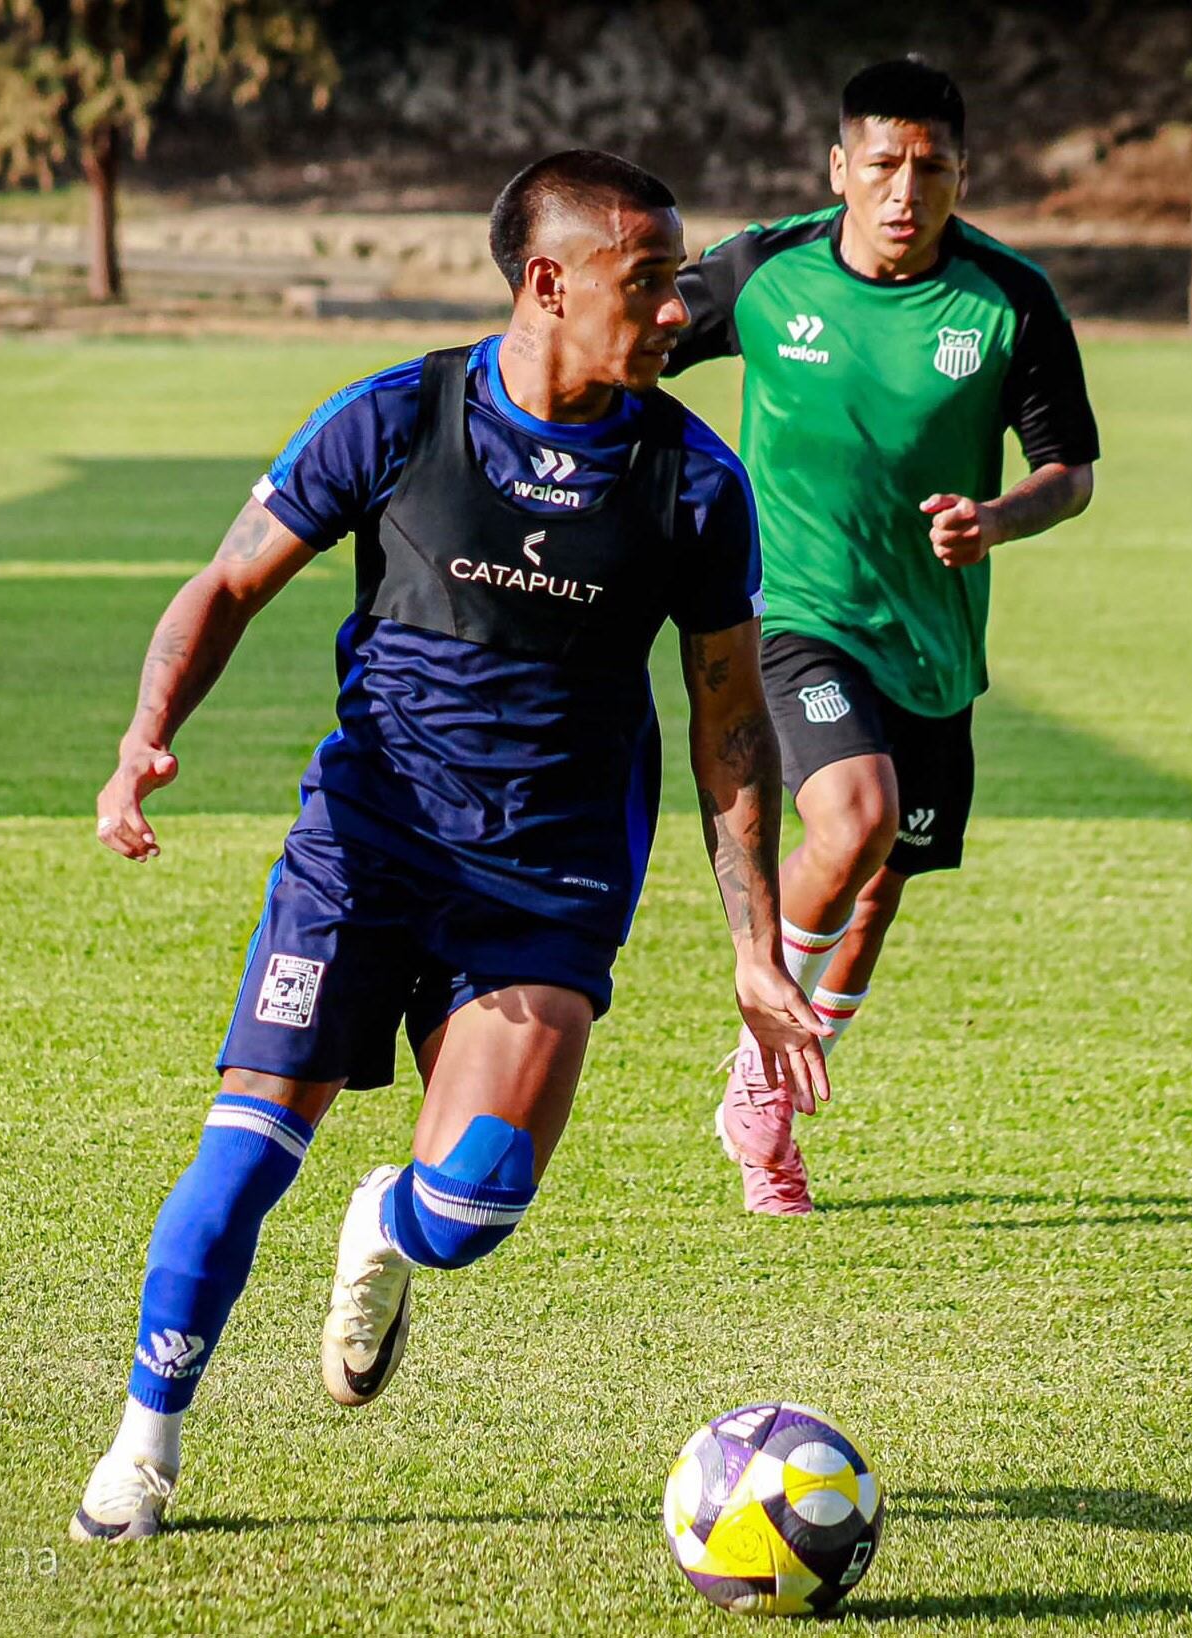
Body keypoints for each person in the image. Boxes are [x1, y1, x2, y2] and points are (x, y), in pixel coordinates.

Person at [70, 149, 830, 1542]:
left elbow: (730, 713)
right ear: (548, 281)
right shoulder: (398, 418)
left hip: (545, 880)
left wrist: (750, 944)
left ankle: (386, 1226)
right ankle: (144, 1444)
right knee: (241, 1151)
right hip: (366, 844)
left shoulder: (693, 484)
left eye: (677, 285)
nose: (677, 314)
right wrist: (143, 735)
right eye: (648, 283)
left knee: (472, 1196)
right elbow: (227, 581)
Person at [664, 58, 1102, 1215]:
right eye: (884, 166)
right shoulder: (768, 270)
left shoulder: (1011, 299)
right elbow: (642, 337)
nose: (907, 191)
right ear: (839, 169)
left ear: (963, 174)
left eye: (933, 169)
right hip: (797, 613)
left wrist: (999, 518)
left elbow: (1073, 471)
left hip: (934, 645)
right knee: (850, 818)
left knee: (877, 893)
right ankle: (758, 1056)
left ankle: (776, 1131)